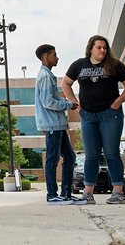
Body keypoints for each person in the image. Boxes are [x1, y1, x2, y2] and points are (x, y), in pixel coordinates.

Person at [60, 35, 125, 204]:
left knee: (111, 153)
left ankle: (118, 193)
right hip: (87, 115)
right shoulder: (79, 64)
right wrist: (75, 103)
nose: (102, 50)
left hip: (110, 115)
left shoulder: (115, 65)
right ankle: (88, 194)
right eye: (99, 47)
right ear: (90, 49)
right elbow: (65, 83)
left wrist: (117, 102)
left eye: (104, 47)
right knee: (91, 155)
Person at [34, 44, 81, 205]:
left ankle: (66, 194)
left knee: (69, 156)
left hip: (58, 125)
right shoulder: (45, 76)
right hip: (52, 124)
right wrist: (68, 105)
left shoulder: (47, 75)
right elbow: (48, 102)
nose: (57, 57)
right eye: (54, 54)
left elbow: (53, 99)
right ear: (46, 56)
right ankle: (52, 195)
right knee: (52, 159)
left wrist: (67, 102)